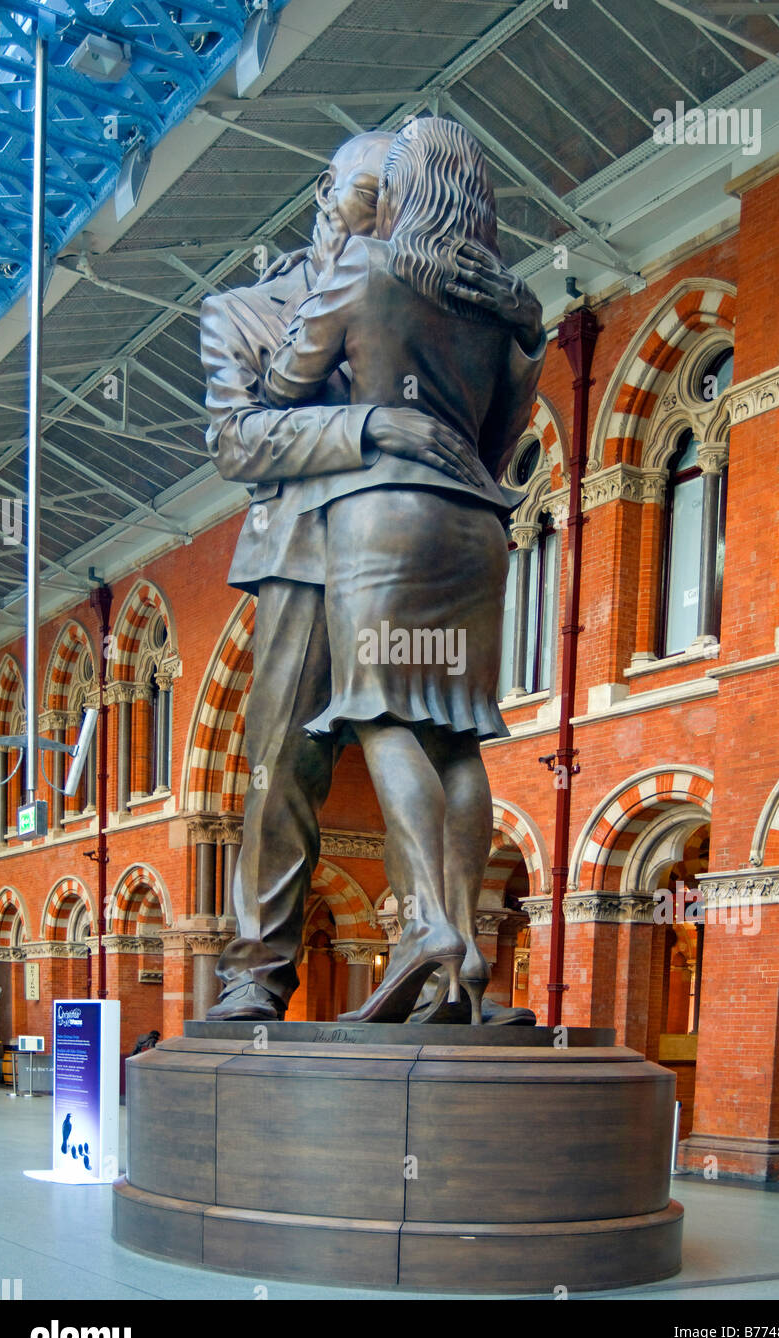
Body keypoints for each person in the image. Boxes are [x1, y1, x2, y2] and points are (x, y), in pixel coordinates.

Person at [201, 130, 544, 1023]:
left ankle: (439, 964)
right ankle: (259, 974)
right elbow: (236, 439)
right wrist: (368, 429)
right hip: (302, 556)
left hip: (404, 542)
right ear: (327, 189)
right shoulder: (243, 309)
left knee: (436, 737)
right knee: (287, 762)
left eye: (394, 188)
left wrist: (523, 335)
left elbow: (486, 440)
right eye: (367, 189)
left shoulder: (427, 280)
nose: (383, 205)